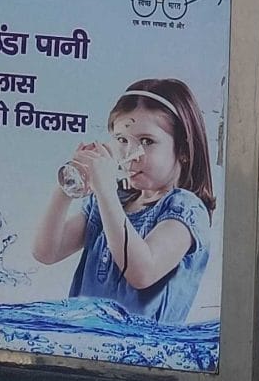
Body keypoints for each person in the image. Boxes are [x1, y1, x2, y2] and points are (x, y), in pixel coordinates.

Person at [31, 78, 216, 324]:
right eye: (122, 140)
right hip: (82, 341)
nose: (131, 155)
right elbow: (46, 252)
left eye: (147, 141)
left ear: (183, 149)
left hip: (142, 354)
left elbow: (142, 272)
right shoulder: (111, 203)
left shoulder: (185, 209)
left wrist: (105, 190)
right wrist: (68, 186)